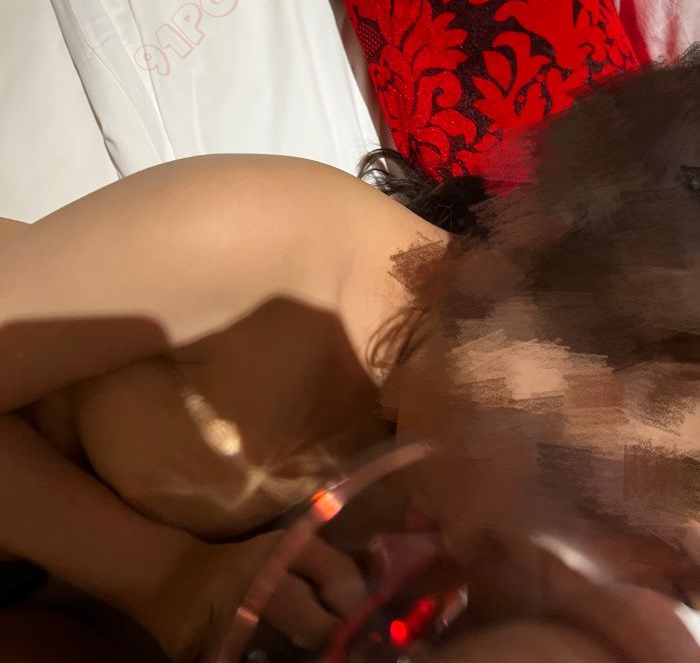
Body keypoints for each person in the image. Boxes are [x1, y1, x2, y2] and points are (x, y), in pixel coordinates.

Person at [0, 51, 698, 661]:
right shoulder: (262, 244)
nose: (565, 563)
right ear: (535, 249)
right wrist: (160, 575)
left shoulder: (441, 472)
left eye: (670, 584)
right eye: (580, 494)